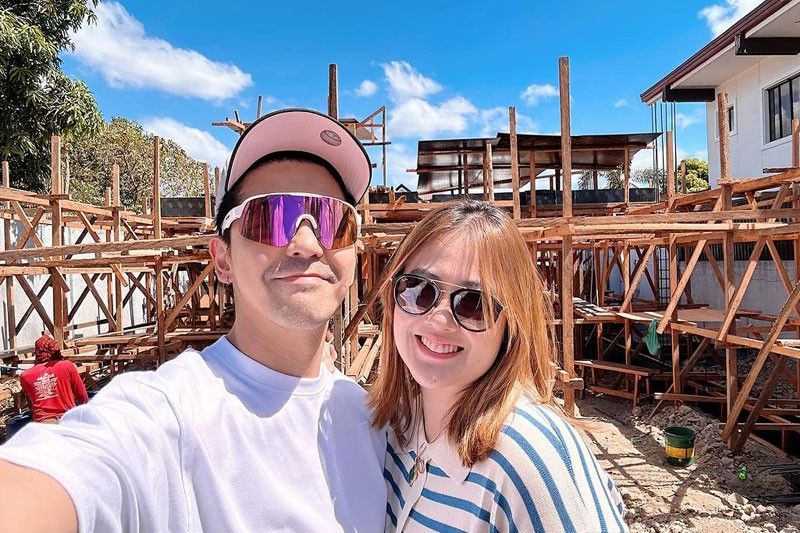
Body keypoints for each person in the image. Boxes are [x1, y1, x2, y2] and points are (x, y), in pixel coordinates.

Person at [0, 109, 386, 532]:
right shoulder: (171, 416)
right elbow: (61, 477)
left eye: (333, 221)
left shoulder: (374, 422)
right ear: (222, 259)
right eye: (270, 217)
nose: (307, 243)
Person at [370, 200, 627, 532]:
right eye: (418, 290)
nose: (439, 319)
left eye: (474, 303)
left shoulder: (527, 458)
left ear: (511, 323)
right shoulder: (395, 429)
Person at [19, 334, 89, 423]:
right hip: (68, 420)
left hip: (43, 424)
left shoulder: (25, 375)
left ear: (36, 352)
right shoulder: (67, 366)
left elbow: (30, 405)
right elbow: (83, 397)